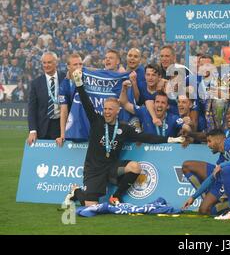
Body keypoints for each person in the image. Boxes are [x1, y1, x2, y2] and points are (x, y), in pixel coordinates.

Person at [65, 69, 184, 207]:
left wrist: (169, 139)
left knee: (135, 167)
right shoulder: (97, 121)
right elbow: (86, 103)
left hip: (111, 168)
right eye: (105, 109)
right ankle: (76, 191)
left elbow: (145, 137)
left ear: (117, 111)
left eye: (110, 109)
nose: (107, 112)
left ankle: (116, 196)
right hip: (94, 169)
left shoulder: (124, 128)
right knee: (91, 206)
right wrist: (79, 84)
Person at [27, 52, 66, 145]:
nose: (46, 65)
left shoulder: (65, 79)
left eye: (49, 62)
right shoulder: (36, 83)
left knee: (61, 158)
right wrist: (32, 131)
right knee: (43, 159)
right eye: (44, 63)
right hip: (42, 128)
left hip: (61, 126)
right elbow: (32, 109)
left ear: (56, 62)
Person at [119, 82, 183, 137]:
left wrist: (188, 125)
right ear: (154, 103)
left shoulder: (173, 118)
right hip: (147, 150)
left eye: (163, 103)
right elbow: (124, 103)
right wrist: (124, 89)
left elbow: (186, 127)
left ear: (167, 106)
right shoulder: (144, 112)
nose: (160, 105)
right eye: (157, 102)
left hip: (168, 150)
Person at [56, 53, 83, 146]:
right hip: (73, 123)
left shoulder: (89, 79)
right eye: (75, 64)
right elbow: (64, 110)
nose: (78, 67)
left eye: (80, 64)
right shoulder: (64, 84)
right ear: (68, 66)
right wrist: (62, 134)